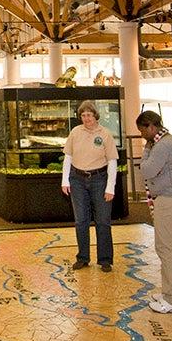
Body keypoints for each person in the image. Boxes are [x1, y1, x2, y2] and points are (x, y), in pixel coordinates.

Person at [137, 110, 172, 314]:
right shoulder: (165, 141)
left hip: (169, 201)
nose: (142, 135)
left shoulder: (162, 145)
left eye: (142, 131)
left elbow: (147, 170)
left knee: (166, 249)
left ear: (151, 127)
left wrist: (146, 150)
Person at [61, 100, 118, 272]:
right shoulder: (75, 132)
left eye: (89, 115)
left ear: (95, 116)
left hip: (99, 179)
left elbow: (112, 161)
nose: (86, 118)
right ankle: (83, 257)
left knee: (103, 220)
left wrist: (110, 187)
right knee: (81, 221)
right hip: (77, 179)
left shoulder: (105, 134)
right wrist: (65, 180)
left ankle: (105, 259)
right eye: (83, 115)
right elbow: (68, 157)